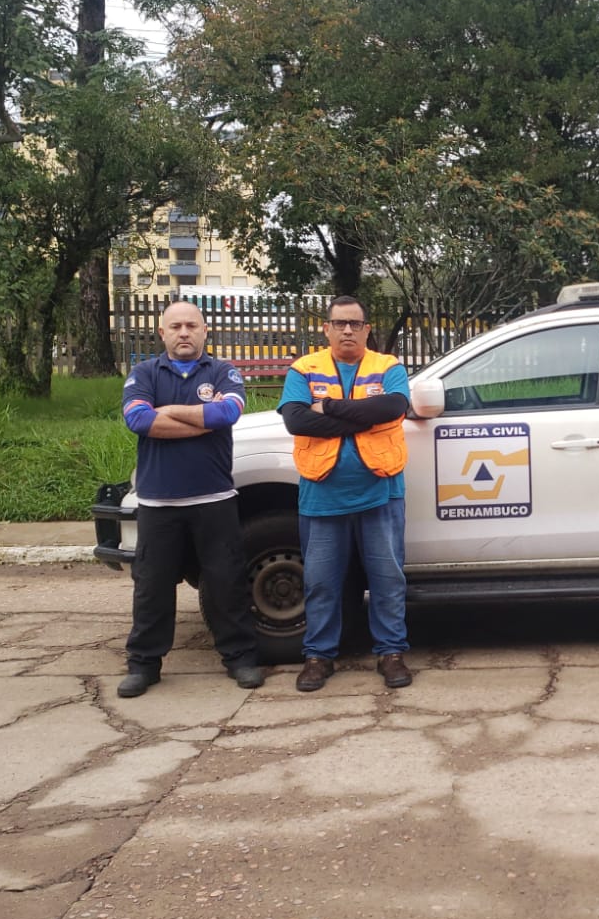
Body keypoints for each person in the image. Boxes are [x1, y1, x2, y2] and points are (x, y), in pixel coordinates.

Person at [117, 301, 264, 698]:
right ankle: (144, 664)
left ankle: (240, 658)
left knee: (226, 582)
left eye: (191, 326)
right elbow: (138, 420)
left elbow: (227, 414)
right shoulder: (144, 372)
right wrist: (200, 418)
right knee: (152, 587)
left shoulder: (223, 371)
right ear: (162, 333)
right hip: (159, 503)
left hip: (213, 498)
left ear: (205, 331)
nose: (184, 333)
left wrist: (170, 411)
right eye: (175, 326)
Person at [279, 296, 413, 691]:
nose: (348, 330)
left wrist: (331, 407)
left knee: (388, 579)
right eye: (340, 323)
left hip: (382, 489)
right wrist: (360, 418)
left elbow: (391, 409)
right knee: (321, 581)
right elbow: (296, 419)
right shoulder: (304, 369)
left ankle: (391, 653)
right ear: (327, 328)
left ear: (367, 329)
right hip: (322, 494)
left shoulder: (388, 366)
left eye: (355, 323)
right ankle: (318, 657)